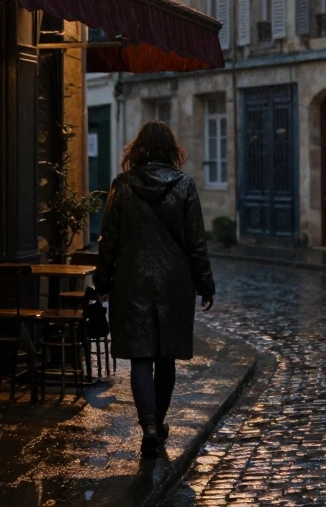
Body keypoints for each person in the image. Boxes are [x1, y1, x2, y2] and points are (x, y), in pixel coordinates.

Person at [94, 120, 216, 459]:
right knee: (165, 359)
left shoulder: (122, 186)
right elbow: (196, 243)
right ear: (171, 151)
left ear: (138, 150)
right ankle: (157, 423)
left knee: (140, 357)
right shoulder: (184, 186)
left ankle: (148, 424)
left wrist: (102, 283)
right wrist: (205, 284)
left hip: (132, 282)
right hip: (174, 283)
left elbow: (109, 242)